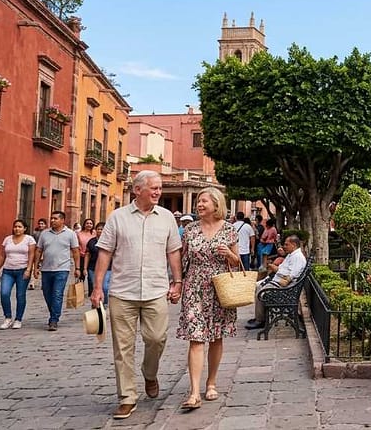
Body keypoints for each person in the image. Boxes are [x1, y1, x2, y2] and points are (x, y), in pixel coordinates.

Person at [91, 170, 183, 420]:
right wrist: (98, 287)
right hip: (122, 291)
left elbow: (173, 252)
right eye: (153, 188)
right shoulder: (117, 217)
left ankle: (149, 372)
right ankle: (127, 396)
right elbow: (105, 253)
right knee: (123, 347)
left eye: (160, 188)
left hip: (155, 290)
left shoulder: (166, 218)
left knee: (156, 338)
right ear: (137, 190)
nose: (157, 192)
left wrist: (177, 282)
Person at [176, 187, 240, 410]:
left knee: (215, 337)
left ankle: (211, 382)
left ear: (216, 204)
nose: (199, 205)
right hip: (194, 286)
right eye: (198, 202)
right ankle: (194, 392)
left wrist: (229, 254)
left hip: (219, 288)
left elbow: (237, 262)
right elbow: (182, 259)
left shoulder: (229, 230)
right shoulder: (190, 229)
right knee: (195, 337)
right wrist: (176, 283)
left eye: (203, 201)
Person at [245, 234, 307, 330]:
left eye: (286, 244)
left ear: (294, 245)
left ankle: (260, 320)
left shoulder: (297, 257)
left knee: (261, 292)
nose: (284, 247)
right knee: (258, 286)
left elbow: (291, 275)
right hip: (278, 282)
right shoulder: (292, 255)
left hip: (284, 287)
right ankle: (260, 317)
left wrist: (277, 269)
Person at [35, 211, 79, 331]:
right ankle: (54, 311)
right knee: (47, 293)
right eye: (52, 218)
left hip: (62, 268)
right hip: (46, 268)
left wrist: (77, 268)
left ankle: (54, 319)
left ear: (62, 220)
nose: (52, 220)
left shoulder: (70, 234)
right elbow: (39, 250)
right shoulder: (44, 234)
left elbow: (75, 251)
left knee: (57, 294)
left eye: (55, 218)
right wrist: (35, 267)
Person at [0, 219, 37, 329]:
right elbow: (2, 255)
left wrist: (29, 269)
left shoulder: (29, 239)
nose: (17, 229)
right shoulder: (7, 239)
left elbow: (32, 256)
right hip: (8, 270)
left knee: (20, 295)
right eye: (15, 226)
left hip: (22, 270)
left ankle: (18, 319)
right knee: (4, 293)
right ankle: (7, 318)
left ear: (25, 229)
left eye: (20, 227)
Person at [86, 221, 112, 306]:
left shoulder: (110, 241)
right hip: (92, 267)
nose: (100, 231)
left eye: (102, 229)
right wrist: (84, 268)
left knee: (104, 286)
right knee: (95, 286)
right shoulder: (91, 241)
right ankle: (96, 304)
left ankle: (104, 303)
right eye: (98, 229)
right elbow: (87, 255)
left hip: (107, 268)